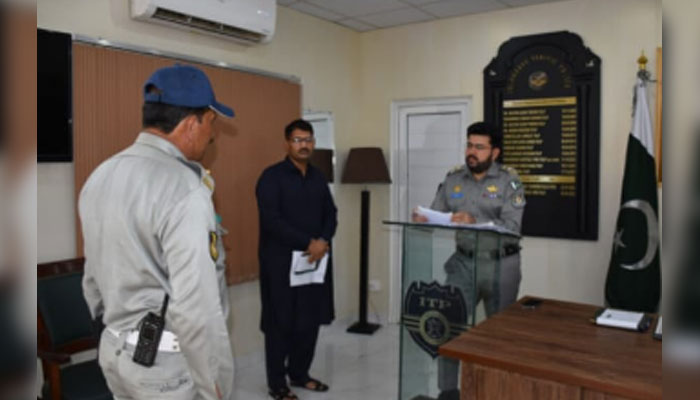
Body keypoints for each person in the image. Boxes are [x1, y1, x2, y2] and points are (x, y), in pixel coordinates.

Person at [79, 64, 235, 400]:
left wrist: (113, 334)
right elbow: (197, 306)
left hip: (114, 353)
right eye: (211, 123)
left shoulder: (101, 175)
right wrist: (215, 385)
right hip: (165, 367)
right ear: (192, 122)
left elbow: (92, 279)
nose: (212, 135)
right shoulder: (184, 188)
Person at [413, 121, 525, 400]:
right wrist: (424, 218)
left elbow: (512, 225)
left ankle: (496, 391)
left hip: (501, 265)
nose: (471, 152)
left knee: (498, 336)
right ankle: (448, 391)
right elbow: (437, 214)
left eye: (479, 147)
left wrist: (476, 221)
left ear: (494, 152)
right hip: (463, 263)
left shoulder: (509, 180)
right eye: (469, 145)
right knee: (448, 327)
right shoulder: (453, 179)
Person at [256, 119, 338, 400]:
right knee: (280, 324)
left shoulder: (317, 177)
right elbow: (272, 221)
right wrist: (309, 243)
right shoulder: (271, 177)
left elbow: (331, 213)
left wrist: (323, 241)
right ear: (287, 143)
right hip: (280, 264)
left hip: (314, 264)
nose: (304, 145)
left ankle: (300, 374)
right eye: (298, 140)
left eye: (309, 140)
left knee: (309, 321)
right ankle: (277, 384)